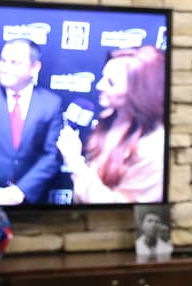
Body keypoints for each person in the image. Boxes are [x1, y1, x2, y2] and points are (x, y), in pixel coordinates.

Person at [56, 45, 166, 203]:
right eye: (103, 78)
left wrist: (74, 161)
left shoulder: (154, 147)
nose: (99, 86)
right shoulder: (109, 117)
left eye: (111, 82)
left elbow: (119, 210)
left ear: (139, 92)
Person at [0, 38, 63, 206]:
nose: (4, 68)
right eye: (3, 60)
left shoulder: (51, 104)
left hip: (31, 202)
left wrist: (22, 190)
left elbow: (52, 154)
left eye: (15, 63)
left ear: (34, 67)